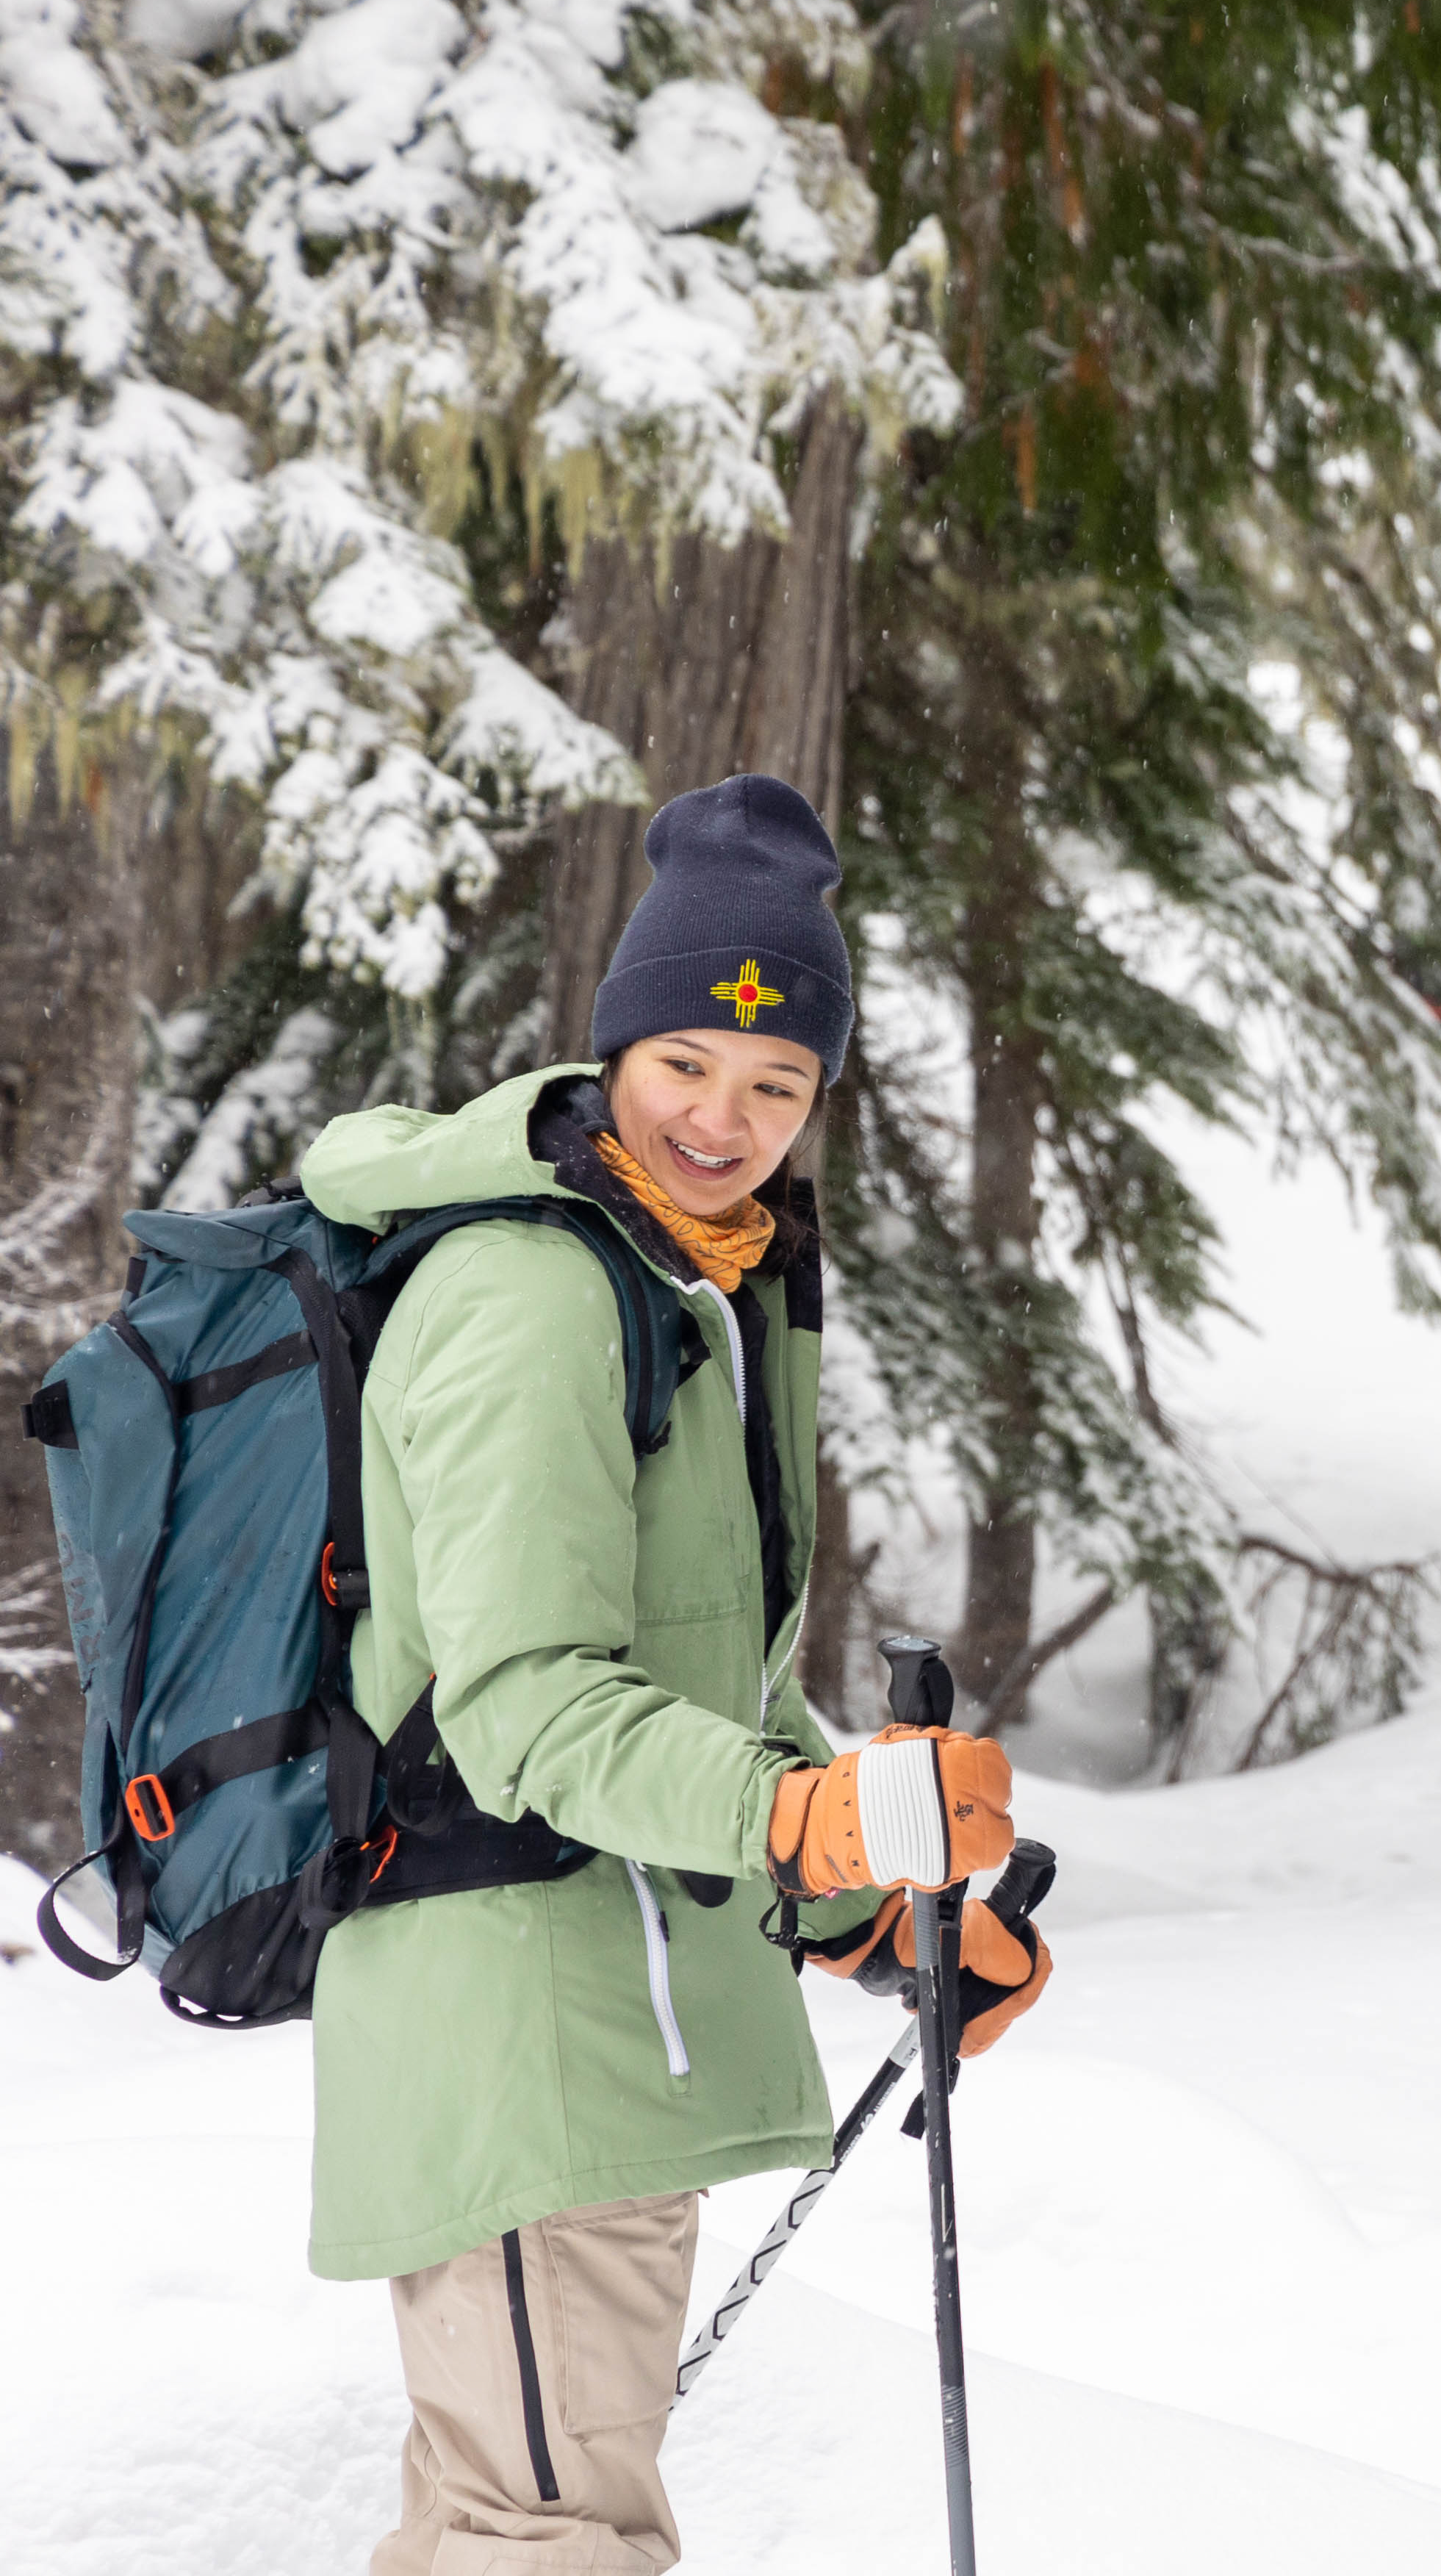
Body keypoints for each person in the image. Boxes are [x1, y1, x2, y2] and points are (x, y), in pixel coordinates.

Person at [295, 773, 1045, 2573]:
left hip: (610, 2033)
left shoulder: (687, 1289)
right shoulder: (529, 1294)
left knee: (532, 2526)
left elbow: (698, 1690)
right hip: (524, 2032)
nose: (727, 1116)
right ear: (616, 1048)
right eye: (689, 1063)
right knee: (540, 2540)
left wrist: (861, 1892)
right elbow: (529, 1704)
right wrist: (809, 1814)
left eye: (778, 1082)